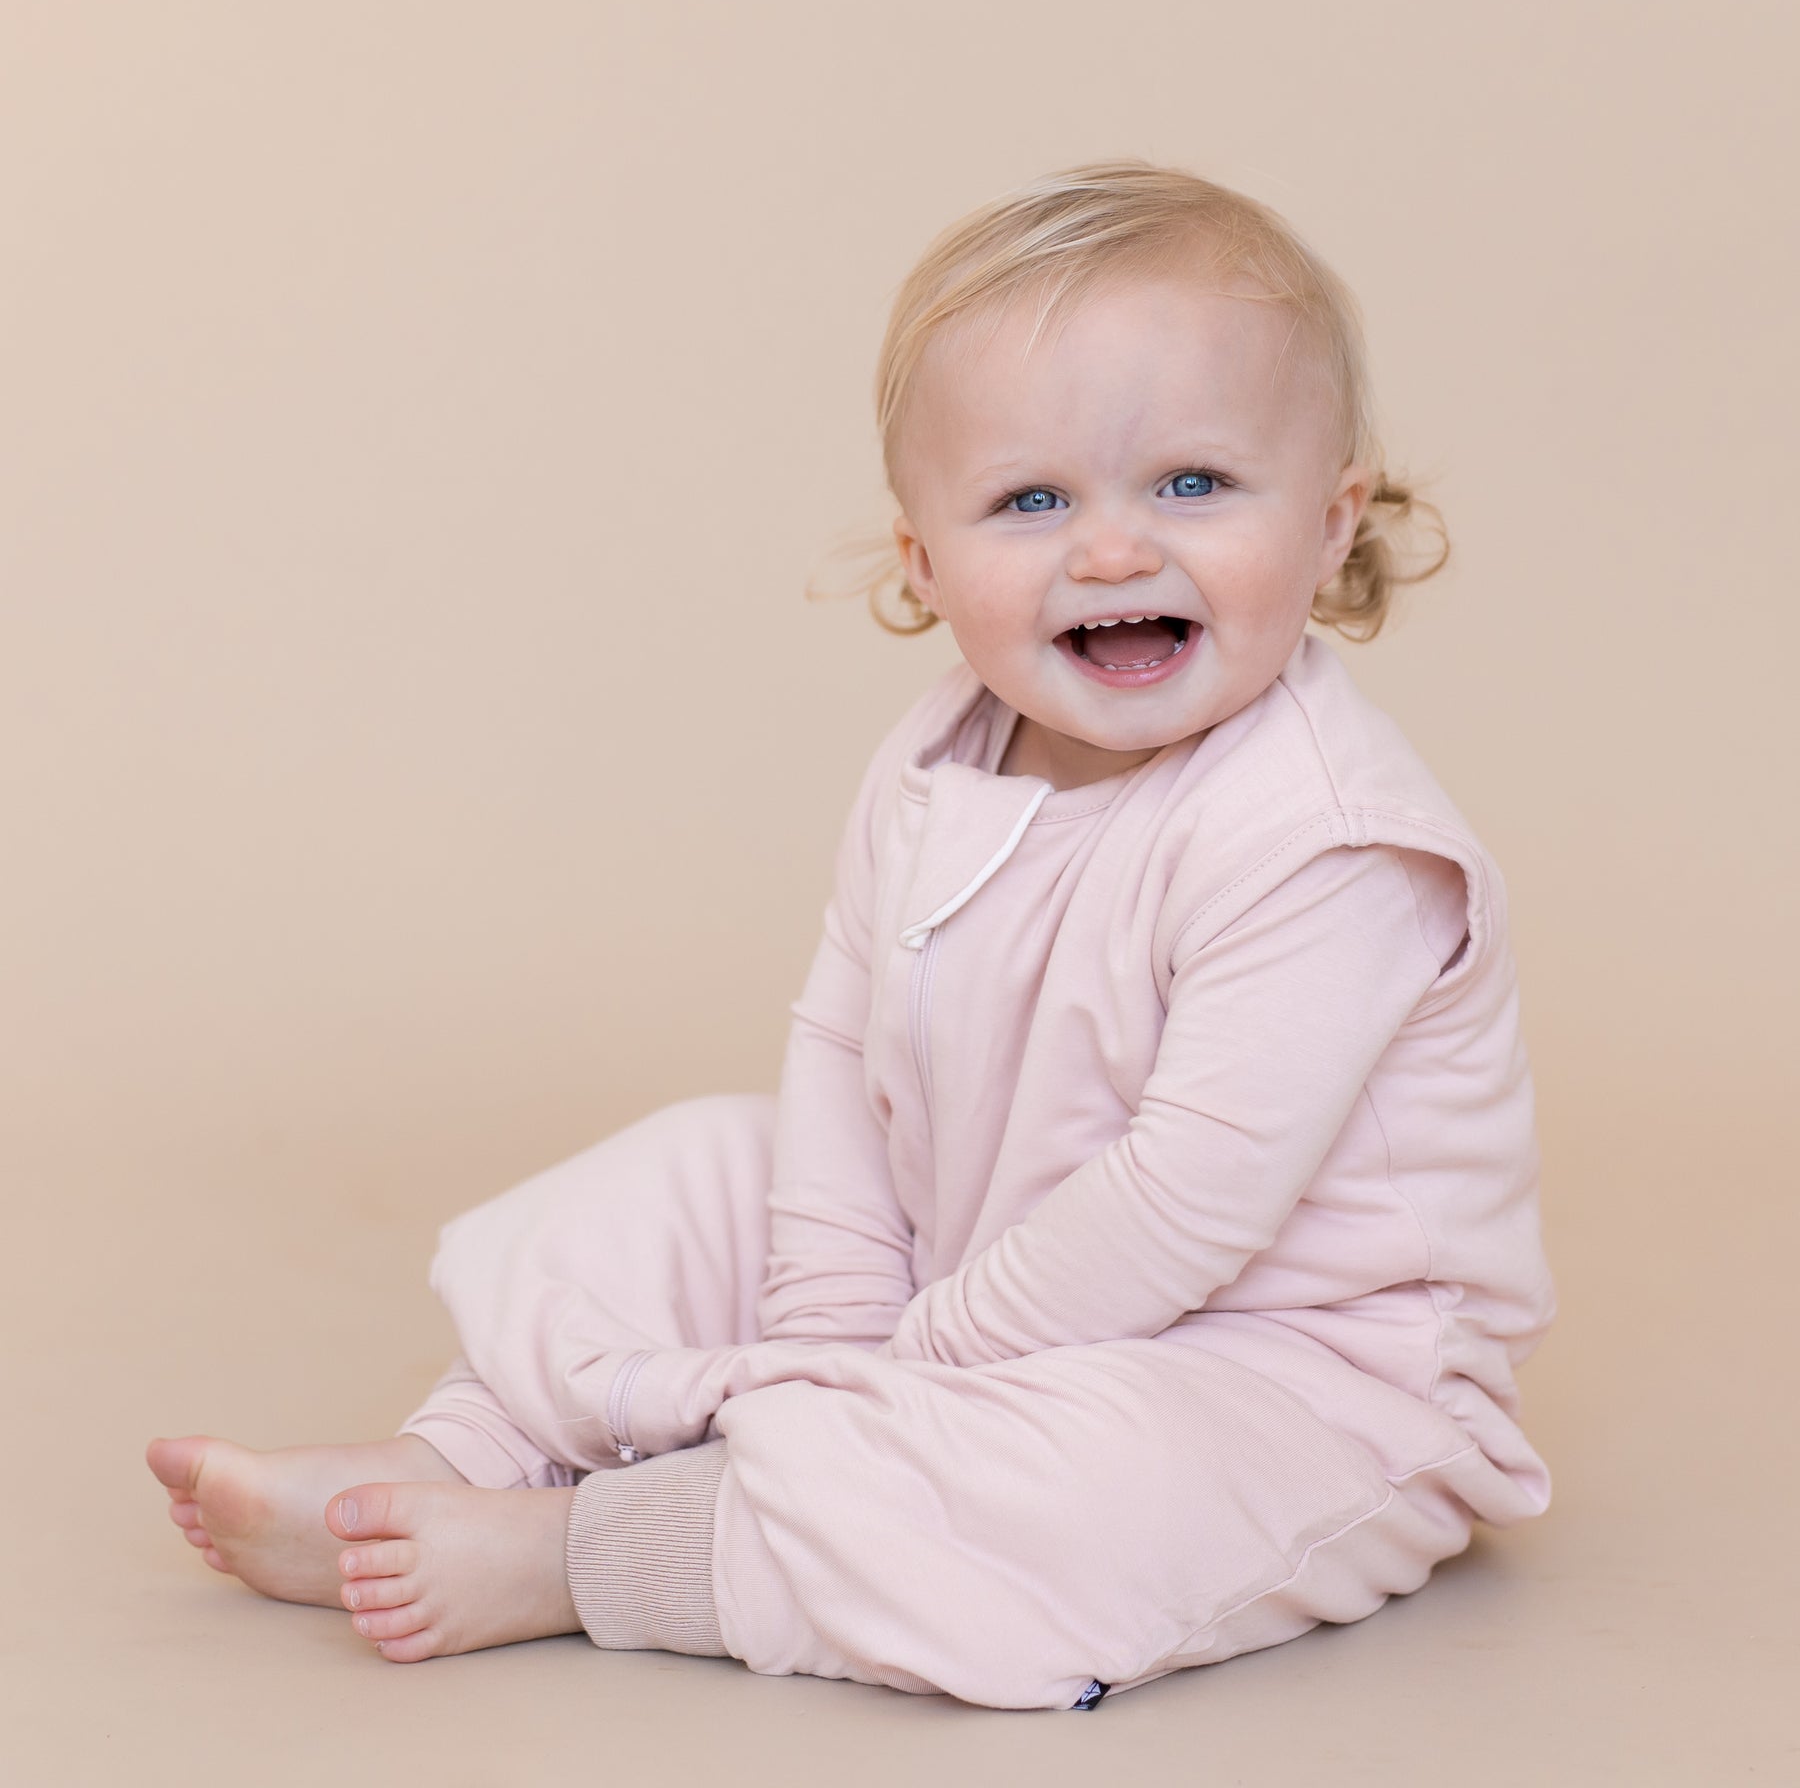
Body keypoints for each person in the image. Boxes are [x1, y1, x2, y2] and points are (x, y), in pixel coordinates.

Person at [146, 157, 1556, 1713]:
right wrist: (830, 1324)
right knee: (691, 1173)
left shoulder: (1326, 841)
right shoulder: (939, 761)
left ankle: (576, 1553)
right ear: (924, 562)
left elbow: (1184, 1202)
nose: (1111, 551)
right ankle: (446, 1464)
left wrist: (912, 1366)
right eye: (1032, 501)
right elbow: (840, 1039)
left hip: (1285, 1374)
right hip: (960, 1257)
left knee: (1071, 1498)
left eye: (1194, 484)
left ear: (1334, 518)